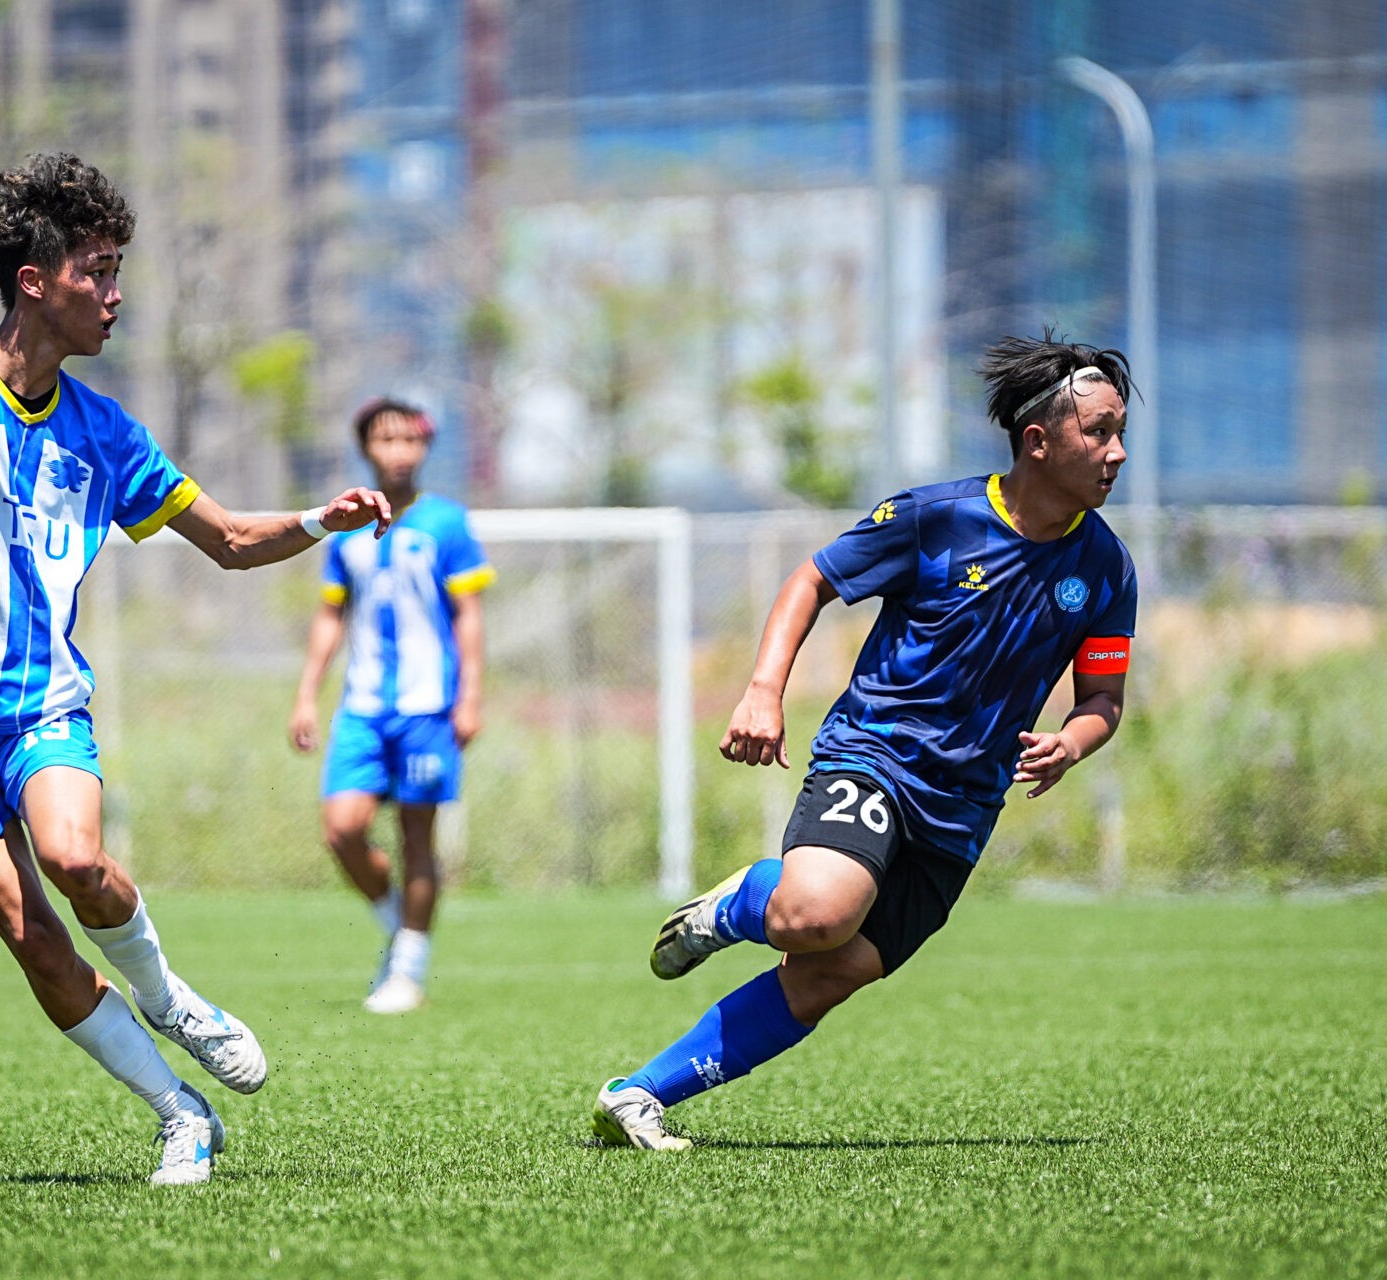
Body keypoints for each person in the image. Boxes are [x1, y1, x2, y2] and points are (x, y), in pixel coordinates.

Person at [0, 152, 392, 1186]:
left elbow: (227, 539)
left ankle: (171, 997)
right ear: (36, 281)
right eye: (100, 270)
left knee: (77, 860)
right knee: (32, 934)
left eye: (120, 269)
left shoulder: (104, 430)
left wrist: (319, 518)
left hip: (40, 697)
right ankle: (181, 1110)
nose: (117, 294)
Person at [591, 331, 1137, 1149]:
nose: (1117, 452)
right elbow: (812, 578)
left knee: (832, 971)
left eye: (1121, 430)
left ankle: (635, 1096)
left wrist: (1075, 741)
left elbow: (1103, 699)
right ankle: (746, 901)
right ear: (1038, 440)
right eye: (1099, 431)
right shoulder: (936, 519)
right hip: (873, 756)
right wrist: (763, 692)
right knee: (816, 914)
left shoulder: (1106, 569)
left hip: (963, 810)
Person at [288, 398, 492, 1014]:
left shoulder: (446, 524)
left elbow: (469, 617)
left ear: (424, 448)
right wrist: (306, 695)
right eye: (385, 440)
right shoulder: (344, 525)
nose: (398, 452)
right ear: (366, 447)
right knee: (342, 830)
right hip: (363, 707)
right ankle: (400, 923)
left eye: (410, 440)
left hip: (428, 707)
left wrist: (472, 696)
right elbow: (331, 613)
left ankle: (408, 967)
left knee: (416, 837)